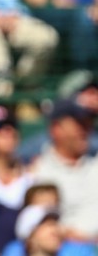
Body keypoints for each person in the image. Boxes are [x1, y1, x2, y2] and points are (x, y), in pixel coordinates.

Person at [29, 99, 98, 241]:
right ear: (56, 129)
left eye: (88, 123)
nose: (85, 130)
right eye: (79, 124)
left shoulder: (94, 162)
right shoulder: (39, 172)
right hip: (66, 252)